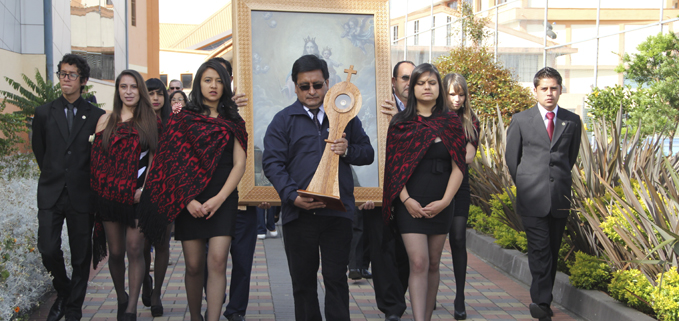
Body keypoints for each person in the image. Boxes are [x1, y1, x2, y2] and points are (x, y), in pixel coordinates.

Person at [262, 54, 374, 321]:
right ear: (294, 85)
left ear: (327, 82)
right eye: (304, 86)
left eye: (317, 84)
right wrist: (292, 196)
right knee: (303, 284)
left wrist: (347, 150)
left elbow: (367, 152)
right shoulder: (283, 120)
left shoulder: (346, 116)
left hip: (338, 213)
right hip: (299, 214)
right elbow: (272, 164)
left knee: (336, 280)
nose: (312, 91)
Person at [137, 60, 247, 321]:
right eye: (208, 80)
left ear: (226, 85)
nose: (214, 86)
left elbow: (240, 164)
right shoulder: (182, 119)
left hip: (223, 198)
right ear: (199, 83)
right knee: (194, 266)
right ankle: (196, 316)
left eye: (220, 81)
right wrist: (187, 201)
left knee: (218, 261)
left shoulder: (233, 120)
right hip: (189, 199)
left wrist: (219, 199)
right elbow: (170, 163)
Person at [383, 63, 466, 321]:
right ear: (413, 87)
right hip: (410, 202)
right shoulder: (400, 123)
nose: (426, 87)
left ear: (438, 88)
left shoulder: (451, 122)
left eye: (431, 83)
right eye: (421, 83)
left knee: (432, 263)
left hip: (442, 202)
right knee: (417, 262)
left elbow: (459, 167)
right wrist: (406, 200)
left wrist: (445, 201)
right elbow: (393, 167)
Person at [32, 54, 105, 321]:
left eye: (71, 75)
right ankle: (64, 292)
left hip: (82, 194)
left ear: (83, 80)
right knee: (48, 248)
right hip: (51, 192)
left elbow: (98, 156)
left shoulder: (97, 115)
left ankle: (73, 310)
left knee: (81, 257)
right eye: (62, 74)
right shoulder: (43, 112)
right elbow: (40, 150)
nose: (65, 79)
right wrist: (55, 174)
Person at [504, 67, 581, 321]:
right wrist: (526, 184)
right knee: (539, 250)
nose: (549, 93)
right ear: (535, 91)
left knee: (552, 250)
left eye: (554, 88)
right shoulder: (521, 120)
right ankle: (541, 302)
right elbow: (512, 159)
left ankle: (542, 298)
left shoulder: (571, 121)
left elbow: (569, 158)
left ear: (560, 90)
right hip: (531, 197)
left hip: (559, 197)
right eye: (544, 89)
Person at [90, 69, 160, 321]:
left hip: (138, 199)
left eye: (133, 87)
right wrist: (105, 189)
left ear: (139, 90)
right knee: (116, 252)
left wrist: (145, 190)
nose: (128, 91)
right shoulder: (105, 121)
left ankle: (130, 308)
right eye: (123, 87)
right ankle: (121, 296)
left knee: (134, 248)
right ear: (118, 90)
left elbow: (156, 162)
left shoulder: (150, 121)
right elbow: (97, 162)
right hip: (109, 199)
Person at [362, 60, 415, 321]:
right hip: (378, 190)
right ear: (393, 81)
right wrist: (365, 190)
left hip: (412, 193)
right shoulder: (375, 106)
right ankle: (391, 307)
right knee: (382, 250)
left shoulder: (425, 110)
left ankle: (399, 295)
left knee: (407, 253)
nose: (409, 83)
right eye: (404, 78)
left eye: (413, 78)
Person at [207, 56, 258, 321]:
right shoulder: (198, 113)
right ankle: (213, 300)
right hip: (210, 201)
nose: (218, 83)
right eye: (212, 78)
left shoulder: (248, 105)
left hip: (244, 198)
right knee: (211, 260)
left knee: (243, 259)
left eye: (224, 77)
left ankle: (236, 309)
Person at [442, 73, 480, 320]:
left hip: (460, 187)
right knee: (431, 244)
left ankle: (460, 296)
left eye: (461, 94)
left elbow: (468, 157)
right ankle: (430, 292)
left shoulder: (471, 121)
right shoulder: (432, 118)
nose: (457, 99)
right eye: (452, 94)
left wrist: (441, 149)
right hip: (432, 185)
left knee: (457, 238)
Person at [138, 78, 173, 316]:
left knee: (162, 244)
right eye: (150, 94)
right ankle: (144, 280)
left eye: (159, 93)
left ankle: (157, 292)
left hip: (167, 191)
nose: (155, 98)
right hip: (141, 191)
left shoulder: (174, 122)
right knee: (140, 245)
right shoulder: (137, 123)